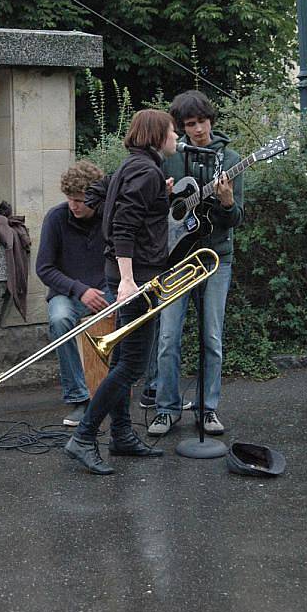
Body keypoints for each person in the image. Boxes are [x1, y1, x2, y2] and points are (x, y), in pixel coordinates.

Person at [64, 109, 177, 475]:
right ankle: (84, 437)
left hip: (125, 272)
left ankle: (123, 434)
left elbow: (99, 191)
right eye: (172, 131)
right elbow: (126, 224)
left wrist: (159, 196)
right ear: (158, 136)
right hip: (137, 276)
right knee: (132, 365)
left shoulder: (134, 167)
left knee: (123, 360)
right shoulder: (146, 171)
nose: (176, 137)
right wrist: (129, 280)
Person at [146, 90, 244, 437]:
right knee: (169, 336)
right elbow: (153, 210)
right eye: (190, 124)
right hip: (174, 259)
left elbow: (236, 219)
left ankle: (207, 409)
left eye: (202, 122)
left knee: (212, 336)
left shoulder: (229, 159)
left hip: (216, 257)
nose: (198, 129)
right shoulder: (168, 157)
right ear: (180, 126)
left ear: (211, 121)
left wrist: (228, 202)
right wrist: (165, 196)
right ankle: (166, 409)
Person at [36, 160, 110, 427]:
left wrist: (103, 290)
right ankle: (80, 399)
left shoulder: (109, 217)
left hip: (106, 290)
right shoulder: (56, 218)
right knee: (59, 320)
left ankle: (126, 390)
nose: (74, 205)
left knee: (143, 312)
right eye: (70, 199)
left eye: (80, 200)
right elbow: (44, 268)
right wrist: (80, 290)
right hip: (67, 293)